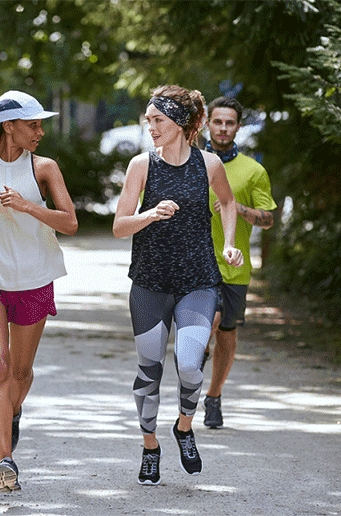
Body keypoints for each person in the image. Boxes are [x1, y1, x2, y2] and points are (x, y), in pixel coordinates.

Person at [112, 85, 243, 486]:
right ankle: (150, 446)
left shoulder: (209, 164)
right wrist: (150, 214)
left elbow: (228, 203)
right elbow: (119, 227)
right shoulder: (141, 166)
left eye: (159, 121)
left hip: (198, 282)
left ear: (182, 124)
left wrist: (232, 243)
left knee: (189, 364)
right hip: (150, 283)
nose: (151, 127)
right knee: (149, 371)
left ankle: (184, 427)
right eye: (149, 120)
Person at [0, 90, 78, 493]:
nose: (40, 132)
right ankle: (5, 461)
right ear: (9, 126)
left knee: (22, 372)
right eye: (33, 124)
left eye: (41, 124)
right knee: (0, 367)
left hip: (35, 277)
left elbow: (70, 223)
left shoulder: (45, 168)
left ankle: (12, 409)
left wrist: (29, 207)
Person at [201, 96, 276, 429]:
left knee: (226, 333)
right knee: (208, 323)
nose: (222, 128)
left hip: (234, 265)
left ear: (238, 127)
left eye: (229, 122)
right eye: (217, 121)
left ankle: (213, 395)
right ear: (207, 123)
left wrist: (235, 207)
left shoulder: (253, 170)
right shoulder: (191, 162)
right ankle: (192, 368)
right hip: (197, 262)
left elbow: (268, 219)